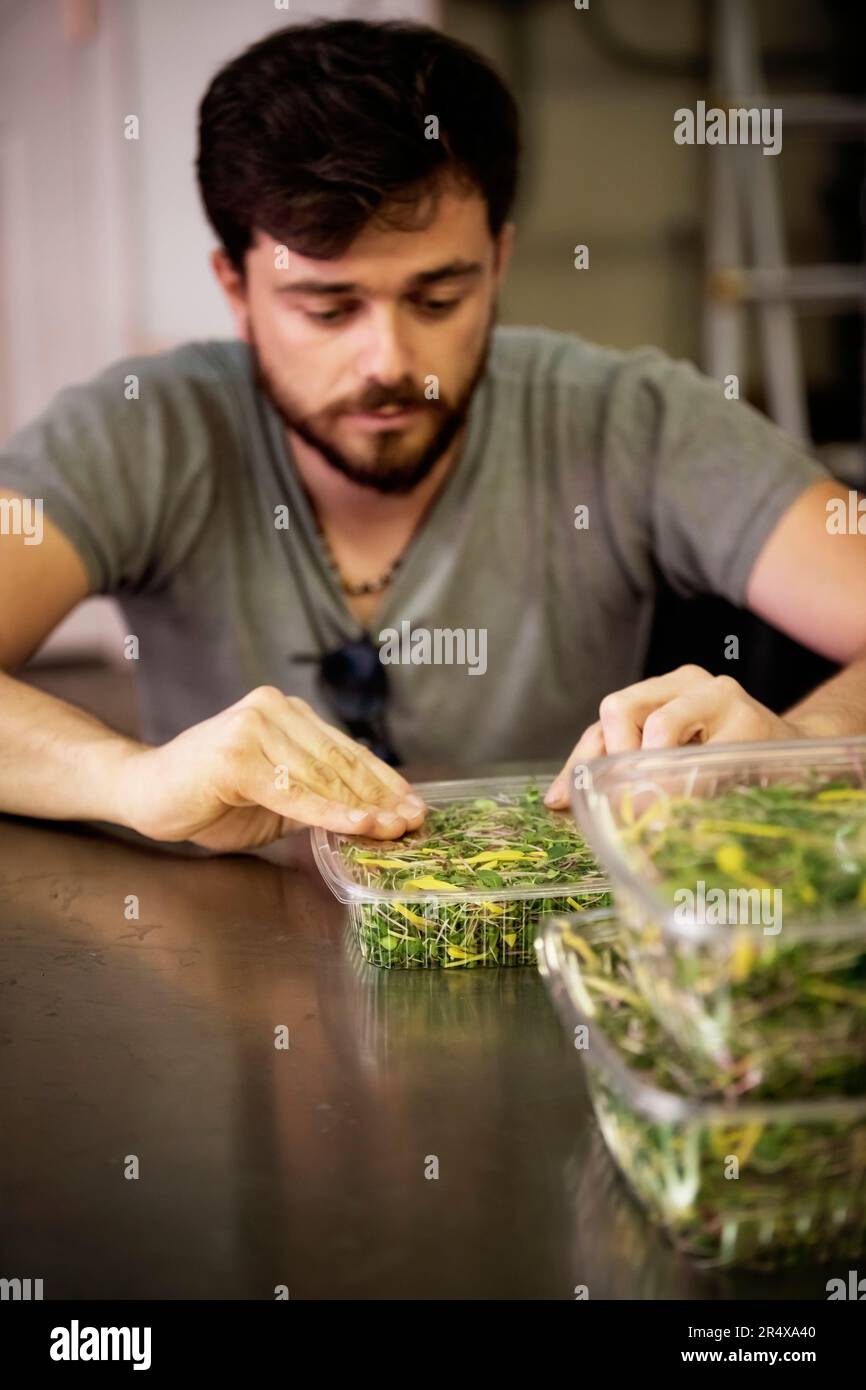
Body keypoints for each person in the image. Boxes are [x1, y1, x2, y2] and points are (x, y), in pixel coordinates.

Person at [1, 19, 864, 853]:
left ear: (500, 260)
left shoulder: (629, 416)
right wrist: (133, 780)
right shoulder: (142, 427)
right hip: (210, 973)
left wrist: (794, 744)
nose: (391, 361)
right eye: (329, 309)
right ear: (235, 286)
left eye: (438, 300)